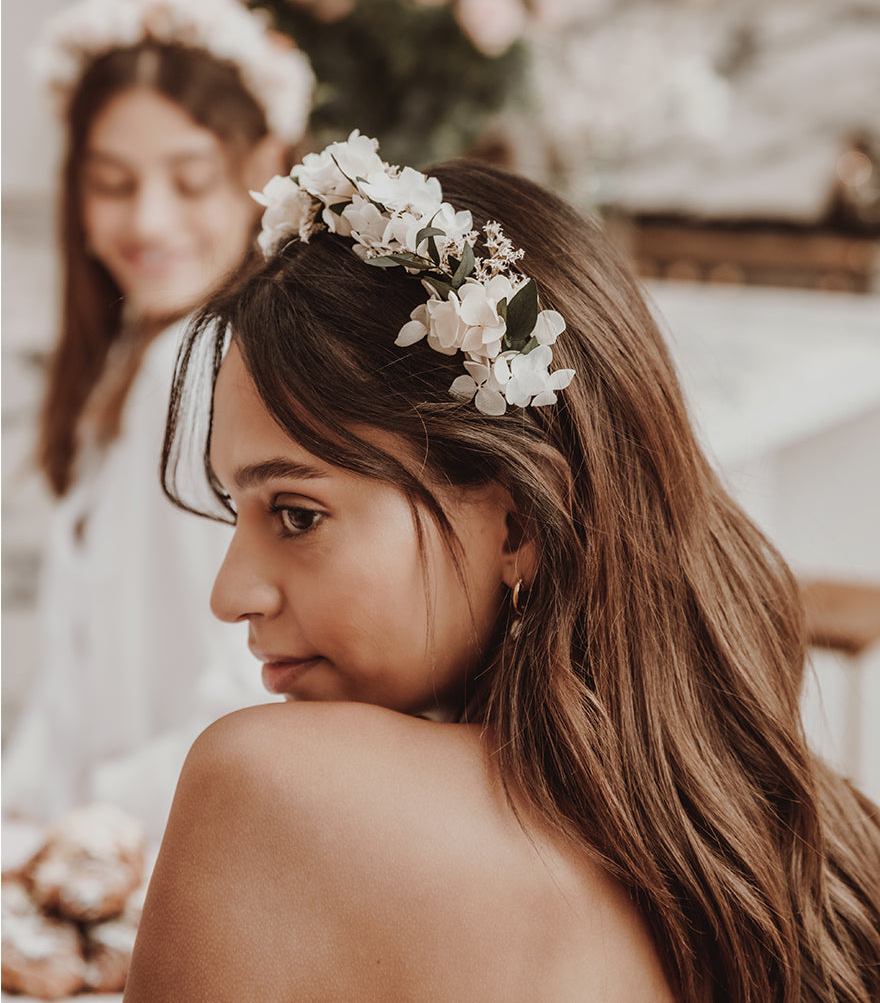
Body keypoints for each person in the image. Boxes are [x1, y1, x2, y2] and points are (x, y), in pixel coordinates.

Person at [126, 134, 880, 1001]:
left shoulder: (269, 788)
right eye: (235, 513)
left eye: (298, 515)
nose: (231, 594)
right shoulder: (805, 853)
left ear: (517, 521)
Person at [2, 0, 315, 838]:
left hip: (164, 831)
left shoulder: (204, 363)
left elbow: (242, 679)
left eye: (189, 180)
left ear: (262, 173)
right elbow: (78, 677)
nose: (148, 220)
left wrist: (89, 825)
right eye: (111, 183)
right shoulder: (137, 358)